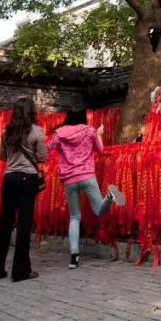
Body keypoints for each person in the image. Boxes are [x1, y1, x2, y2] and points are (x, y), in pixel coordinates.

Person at [48, 110, 125, 269]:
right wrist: (99, 134)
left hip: (69, 179)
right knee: (99, 211)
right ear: (83, 118)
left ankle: (74, 257)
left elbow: (46, 149)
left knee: (74, 217)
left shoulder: (59, 134)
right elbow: (101, 149)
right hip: (87, 176)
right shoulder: (89, 131)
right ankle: (109, 197)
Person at [0, 96, 47, 282]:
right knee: (24, 225)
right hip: (27, 179)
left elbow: (2, 156)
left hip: (9, 178)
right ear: (32, 111)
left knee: (4, 224)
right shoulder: (37, 131)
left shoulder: (7, 133)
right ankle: (20, 271)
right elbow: (42, 157)